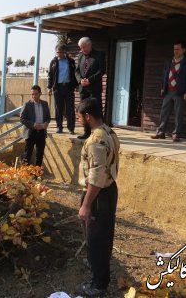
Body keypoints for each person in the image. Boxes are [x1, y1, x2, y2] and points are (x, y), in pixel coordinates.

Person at [75, 97, 119, 298]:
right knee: (103, 235)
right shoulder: (109, 132)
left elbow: (96, 177)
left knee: (96, 238)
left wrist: (86, 205)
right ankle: (95, 261)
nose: (78, 120)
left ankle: (98, 284)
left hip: (99, 193)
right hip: (109, 190)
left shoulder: (95, 141)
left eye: (80, 117)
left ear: (88, 117)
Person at [151, 41, 186, 142]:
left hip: (180, 92)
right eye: (174, 49)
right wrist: (163, 87)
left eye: (178, 49)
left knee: (178, 114)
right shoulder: (169, 62)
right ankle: (160, 132)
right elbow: (164, 76)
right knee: (164, 112)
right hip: (168, 92)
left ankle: (176, 134)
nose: (175, 51)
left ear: (184, 50)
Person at [75, 37, 106, 140]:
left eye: (83, 47)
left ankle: (100, 133)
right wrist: (80, 80)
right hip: (83, 89)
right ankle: (86, 132)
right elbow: (77, 71)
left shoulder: (99, 55)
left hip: (94, 88)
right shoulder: (80, 56)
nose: (82, 50)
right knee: (84, 111)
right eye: (80, 48)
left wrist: (90, 80)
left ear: (89, 45)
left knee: (95, 110)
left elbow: (102, 70)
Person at [47, 43, 77, 134]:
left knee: (70, 109)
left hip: (68, 87)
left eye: (61, 52)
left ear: (65, 52)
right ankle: (59, 127)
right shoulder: (53, 62)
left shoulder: (71, 61)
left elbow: (75, 74)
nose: (59, 54)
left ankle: (71, 128)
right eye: (57, 52)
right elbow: (50, 75)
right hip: (58, 88)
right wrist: (49, 87)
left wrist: (76, 85)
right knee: (58, 108)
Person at [20, 85, 51, 167]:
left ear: (40, 93)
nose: (34, 96)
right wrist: (33, 125)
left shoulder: (45, 104)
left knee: (40, 155)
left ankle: (36, 176)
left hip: (41, 133)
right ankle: (25, 175)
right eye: (32, 94)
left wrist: (46, 124)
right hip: (31, 132)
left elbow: (48, 117)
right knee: (27, 155)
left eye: (36, 94)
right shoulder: (27, 105)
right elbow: (22, 119)